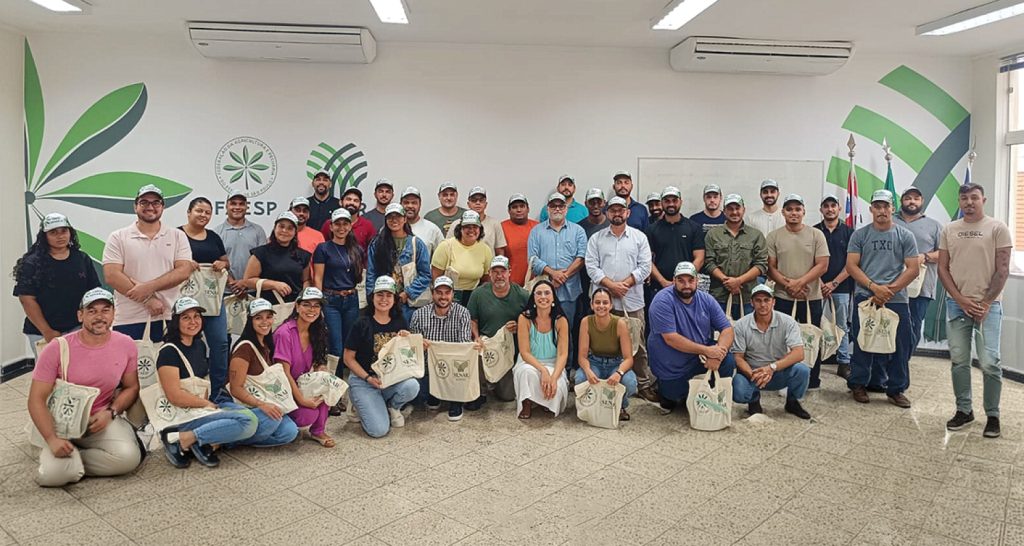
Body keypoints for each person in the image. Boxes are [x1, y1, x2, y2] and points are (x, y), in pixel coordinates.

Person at [28, 288, 142, 487]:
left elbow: (131, 387)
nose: (100, 316)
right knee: (53, 477)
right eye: (92, 311)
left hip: (98, 420)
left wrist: (111, 412)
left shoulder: (126, 345)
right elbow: (36, 399)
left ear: (114, 314)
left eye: (105, 310)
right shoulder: (57, 347)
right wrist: (52, 439)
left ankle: (72, 461)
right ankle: (59, 458)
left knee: (128, 459)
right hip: (59, 423)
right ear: (80, 315)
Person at [938, 183, 1012, 438]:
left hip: (988, 306)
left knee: (990, 362)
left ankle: (993, 415)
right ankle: (964, 410)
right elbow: (943, 268)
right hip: (957, 305)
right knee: (959, 360)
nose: (969, 202)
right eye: (964, 198)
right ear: (959, 201)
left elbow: (1003, 269)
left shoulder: (998, 228)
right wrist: (959, 299)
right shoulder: (949, 229)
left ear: (983, 200)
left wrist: (986, 303)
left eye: (974, 197)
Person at [156, 297, 259, 468]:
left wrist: (207, 405)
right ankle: (184, 438)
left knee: (253, 416)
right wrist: (206, 404)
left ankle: (205, 441)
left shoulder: (200, 345)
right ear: (176, 321)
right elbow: (174, 395)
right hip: (183, 414)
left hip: (201, 407)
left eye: (196, 316)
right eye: (186, 317)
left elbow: (203, 382)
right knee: (248, 421)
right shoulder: (169, 351)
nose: (193, 322)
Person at [845, 190, 919, 408]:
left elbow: (913, 268)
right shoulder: (860, 235)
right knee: (863, 342)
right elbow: (851, 266)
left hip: (896, 299)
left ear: (892, 208)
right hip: (865, 297)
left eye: (886, 206)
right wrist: (874, 288)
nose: (882, 210)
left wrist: (889, 291)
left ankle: (896, 389)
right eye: (877, 206)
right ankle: (858, 384)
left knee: (900, 345)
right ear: (871, 209)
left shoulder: (905, 235)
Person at [585, 196, 658, 403]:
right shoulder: (596, 239)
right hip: (602, 303)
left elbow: (645, 266)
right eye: (613, 210)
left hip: (631, 300)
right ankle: (602, 380)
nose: (617, 213)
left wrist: (624, 284)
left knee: (638, 345)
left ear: (628, 213)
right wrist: (611, 286)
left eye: (621, 210)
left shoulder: (639, 237)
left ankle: (643, 384)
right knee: (602, 343)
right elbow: (591, 266)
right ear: (607, 213)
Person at [103, 184, 192, 342]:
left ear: (163, 206)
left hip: (169, 316)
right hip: (129, 319)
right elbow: (112, 275)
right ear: (135, 206)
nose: (150, 207)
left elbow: (184, 271)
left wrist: (148, 287)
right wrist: (147, 299)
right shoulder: (118, 237)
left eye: (156, 202)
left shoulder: (178, 236)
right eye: (144, 202)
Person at [648, 262, 736, 414]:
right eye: (681, 280)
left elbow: (727, 329)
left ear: (697, 281)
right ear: (674, 281)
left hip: (698, 358)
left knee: (728, 360)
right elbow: (671, 338)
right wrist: (707, 351)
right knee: (674, 397)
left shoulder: (706, 300)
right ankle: (666, 389)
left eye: (690, 280)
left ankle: (711, 394)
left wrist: (718, 354)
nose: (686, 285)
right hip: (673, 368)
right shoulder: (662, 301)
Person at [343, 276, 421, 438]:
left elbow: (407, 355)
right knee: (378, 430)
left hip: (391, 377)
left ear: (394, 299)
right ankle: (358, 401)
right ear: (372, 297)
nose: (384, 299)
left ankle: (392, 406)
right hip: (364, 380)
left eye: (388, 295)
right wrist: (367, 378)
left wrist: (410, 340)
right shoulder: (361, 323)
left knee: (412, 385)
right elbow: (348, 358)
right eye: (380, 295)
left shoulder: (400, 321)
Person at [13, 213, 99, 356]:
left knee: (78, 367)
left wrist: (89, 324)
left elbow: (93, 293)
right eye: (53, 232)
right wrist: (47, 331)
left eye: (64, 231)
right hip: (41, 332)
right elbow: (26, 299)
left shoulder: (82, 259)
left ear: (70, 233)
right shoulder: (32, 262)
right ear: (44, 236)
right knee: (49, 370)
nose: (60, 236)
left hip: (78, 328)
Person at [766, 193, 829, 389]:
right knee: (781, 340)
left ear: (804, 212)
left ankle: (812, 380)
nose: (793, 213)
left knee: (811, 339)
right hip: (783, 297)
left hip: (811, 297)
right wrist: (789, 285)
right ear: (783, 212)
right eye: (789, 209)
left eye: (797, 209)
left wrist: (799, 283)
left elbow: (822, 265)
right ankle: (783, 379)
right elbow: (770, 267)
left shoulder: (816, 234)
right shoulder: (774, 236)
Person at [227, 298, 300, 447]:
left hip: (265, 399)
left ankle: (244, 439)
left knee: (290, 432)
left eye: (269, 317)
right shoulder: (244, 348)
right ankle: (230, 440)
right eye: (258, 318)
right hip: (247, 405)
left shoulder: (267, 343)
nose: (265, 322)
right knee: (272, 419)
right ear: (250, 320)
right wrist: (261, 405)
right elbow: (236, 389)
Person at [730, 284, 811, 419]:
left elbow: (799, 353)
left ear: (773, 302)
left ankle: (792, 402)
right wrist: (754, 375)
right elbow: (738, 357)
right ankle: (754, 400)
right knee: (739, 389)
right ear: (752, 303)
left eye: (766, 300)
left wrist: (771, 368)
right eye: (758, 300)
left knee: (802, 370)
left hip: (777, 370)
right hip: (752, 373)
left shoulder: (787, 321)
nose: (763, 305)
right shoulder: (741, 325)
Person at [179, 197, 231, 401]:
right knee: (186, 344)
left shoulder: (214, 237)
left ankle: (218, 390)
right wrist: (184, 263)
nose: (203, 215)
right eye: (199, 211)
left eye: (208, 212)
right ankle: (187, 390)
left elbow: (226, 262)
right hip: (184, 303)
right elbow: (166, 263)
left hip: (212, 300)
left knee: (220, 343)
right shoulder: (177, 235)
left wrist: (222, 264)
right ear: (188, 212)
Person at [410, 276, 478, 421]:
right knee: (417, 396)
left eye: (447, 293)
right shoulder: (418, 315)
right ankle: (434, 394)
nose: (443, 297)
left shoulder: (463, 313)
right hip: (428, 368)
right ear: (432, 293)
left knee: (465, 364)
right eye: (439, 292)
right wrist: (419, 345)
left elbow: (463, 346)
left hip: (454, 368)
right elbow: (413, 350)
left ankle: (456, 400)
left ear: (453, 294)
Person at [273, 287, 335, 447]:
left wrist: (321, 371)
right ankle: (283, 420)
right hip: (283, 389)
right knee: (307, 414)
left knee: (325, 387)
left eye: (316, 306)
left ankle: (319, 431)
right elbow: (284, 373)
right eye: (306, 305)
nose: (311, 310)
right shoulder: (285, 333)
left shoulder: (317, 330)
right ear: (297, 306)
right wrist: (302, 400)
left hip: (302, 383)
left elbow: (318, 361)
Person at [527, 192, 588, 347]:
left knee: (566, 330)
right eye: (553, 206)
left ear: (566, 209)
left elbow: (581, 258)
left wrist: (563, 276)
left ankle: (566, 362)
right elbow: (532, 259)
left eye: (561, 206)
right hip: (543, 290)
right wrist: (553, 274)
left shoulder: (578, 231)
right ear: (547, 209)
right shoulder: (536, 231)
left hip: (570, 291)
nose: (557, 209)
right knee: (543, 330)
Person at [467, 256, 528, 404]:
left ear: (509, 272)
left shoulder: (522, 295)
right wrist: (476, 337)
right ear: (489, 273)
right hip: (487, 347)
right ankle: (481, 389)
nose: (499, 276)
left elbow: (533, 321)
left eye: (503, 271)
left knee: (508, 396)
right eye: (495, 272)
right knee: (475, 354)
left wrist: (520, 326)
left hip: (509, 351)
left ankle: (497, 383)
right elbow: (472, 320)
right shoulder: (478, 294)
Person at [312, 208, 364, 375]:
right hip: (331, 300)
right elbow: (318, 278)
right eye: (338, 224)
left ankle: (346, 380)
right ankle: (335, 380)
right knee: (336, 345)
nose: (341, 228)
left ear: (350, 226)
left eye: (345, 224)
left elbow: (359, 276)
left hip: (351, 299)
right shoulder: (323, 248)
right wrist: (318, 303)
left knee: (350, 343)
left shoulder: (357, 249)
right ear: (331, 227)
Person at [575, 288, 637, 420]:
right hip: (594, 362)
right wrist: (588, 371)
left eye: (605, 302)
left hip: (616, 363)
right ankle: (594, 404)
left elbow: (628, 358)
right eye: (597, 302)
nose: (601, 306)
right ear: (592, 305)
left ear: (611, 305)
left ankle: (620, 405)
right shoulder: (586, 322)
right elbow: (582, 356)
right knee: (580, 378)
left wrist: (619, 373)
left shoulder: (620, 323)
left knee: (630, 382)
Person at [894, 186, 943, 350]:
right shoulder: (890, 222)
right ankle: (889, 361)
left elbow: (945, 253)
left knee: (913, 325)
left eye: (916, 198)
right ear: (901, 201)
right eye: (908, 198)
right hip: (890, 285)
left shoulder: (934, 226)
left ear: (922, 201)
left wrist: (925, 256)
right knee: (889, 324)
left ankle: (904, 360)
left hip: (920, 288)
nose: (912, 201)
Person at [513, 280, 570, 419]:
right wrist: (543, 370)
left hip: (553, 362)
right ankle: (527, 402)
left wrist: (554, 377)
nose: (543, 297)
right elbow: (524, 352)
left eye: (547, 293)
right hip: (529, 362)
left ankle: (545, 401)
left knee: (556, 383)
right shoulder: (524, 318)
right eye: (538, 293)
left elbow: (563, 354)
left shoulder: (561, 320)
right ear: (533, 297)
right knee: (527, 373)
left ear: (553, 298)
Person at [704, 194, 766, 320]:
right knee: (719, 331)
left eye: (737, 208)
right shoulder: (713, 234)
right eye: (730, 209)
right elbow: (709, 262)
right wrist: (728, 281)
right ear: (724, 211)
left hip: (748, 296)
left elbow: (761, 264)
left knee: (748, 331)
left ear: (744, 210)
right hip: (719, 296)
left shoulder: (756, 235)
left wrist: (739, 281)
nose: (734, 212)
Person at [366, 203, 432, 323]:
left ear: (405, 219)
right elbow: (371, 273)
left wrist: (408, 293)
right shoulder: (376, 244)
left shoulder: (416, 244)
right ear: (386, 220)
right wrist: (372, 298)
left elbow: (425, 275)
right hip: (383, 302)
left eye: (398, 216)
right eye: (390, 217)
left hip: (407, 304)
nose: (394, 220)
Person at [815, 194, 854, 379]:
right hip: (816, 287)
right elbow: (810, 261)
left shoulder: (849, 232)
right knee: (814, 324)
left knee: (842, 325)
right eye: (826, 206)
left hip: (842, 287)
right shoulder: (814, 231)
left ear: (839, 208)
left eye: (833, 205)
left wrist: (834, 283)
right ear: (821, 209)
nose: (830, 209)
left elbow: (852, 263)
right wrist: (821, 283)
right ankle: (814, 359)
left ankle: (843, 362)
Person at [241, 212, 310, 303]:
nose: (284, 230)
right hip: (267, 306)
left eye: (290, 228)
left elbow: (306, 280)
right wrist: (273, 284)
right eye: (281, 226)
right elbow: (247, 281)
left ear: (295, 232)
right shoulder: (260, 253)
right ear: (274, 228)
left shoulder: (303, 255)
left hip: (295, 305)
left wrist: (303, 298)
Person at [647, 186, 705, 293]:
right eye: (667, 201)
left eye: (674, 200)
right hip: (659, 287)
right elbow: (647, 260)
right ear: (662, 203)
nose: (671, 204)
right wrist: (663, 281)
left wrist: (685, 279)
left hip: (687, 288)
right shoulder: (651, 229)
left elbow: (700, 258)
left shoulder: (694, 228)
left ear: (681, 202)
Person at [431, 211, 494, 305]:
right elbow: (436, 277)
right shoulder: (446, 246)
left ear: (480, 229)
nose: (471, 230)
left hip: (474, 295)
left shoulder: (485, 249)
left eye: (475, 227)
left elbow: (486, 278)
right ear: (460, 229)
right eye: (467, 227)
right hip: (448, 295)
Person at [212, 192, 268, 298]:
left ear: (247, 207)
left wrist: (245, 283)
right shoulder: (216, 233)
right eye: (233, 203)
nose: (237, 207)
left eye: (241, 204)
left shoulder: (258, 231)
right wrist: (232, 284)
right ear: (226, 206)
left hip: (253, 291)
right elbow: (216, 263)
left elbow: (263, 261)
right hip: (225, 291)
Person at [446, 186, 508, 256]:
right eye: (474, 200)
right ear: (468, 204)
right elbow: (447, 247)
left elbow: (499, 250)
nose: (478, 203)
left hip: (487, 262)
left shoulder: (495, 224)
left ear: (486, 204)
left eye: (481, 200)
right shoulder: (456, 224)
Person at [319, 186, 376, 252]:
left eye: (356, 201)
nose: (352, 203)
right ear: (341, 202)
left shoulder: (367, 225)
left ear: (360, 206)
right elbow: (322, 249)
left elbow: (372, 251)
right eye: (348, 199)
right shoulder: (329, 224)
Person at [500, 194, 539, 286]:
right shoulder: (501, 228)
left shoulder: (538, 227)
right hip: (510, 283)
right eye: (514, 207)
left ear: (528, 209)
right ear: (509, 210)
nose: (519, 210)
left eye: (522, 206)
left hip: (534, 283)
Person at [401, 186, 445, 253]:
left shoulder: (432, 229)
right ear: (400, 204)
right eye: (406, 202)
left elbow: (443, 255)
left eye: (414, 203)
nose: (410, 206)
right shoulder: (393, 228)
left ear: (420, 205)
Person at [306, 171, 341, 236]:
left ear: (330, 184)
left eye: (325, 180)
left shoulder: (338, 205)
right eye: (318, 180)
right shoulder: (305, 204)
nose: (321, 182)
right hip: (308, 241)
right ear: (313, 184)